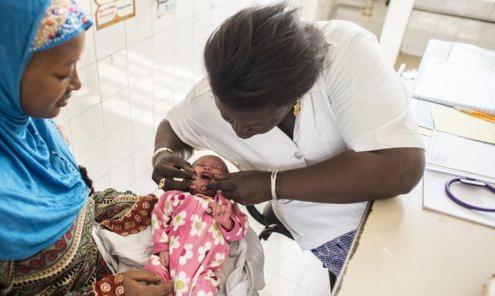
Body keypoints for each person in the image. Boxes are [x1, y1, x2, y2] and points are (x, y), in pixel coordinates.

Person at [0, 0, 172, 295]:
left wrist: (154, 209)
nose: (77, 84)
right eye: (62, 73)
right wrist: (110, 293)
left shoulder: (32, 127)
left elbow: (82, 206)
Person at [151, 3, 425, 277]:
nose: (239, 132)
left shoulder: (346, 52)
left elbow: (402, 167)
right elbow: (172, 128)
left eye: (254, 123)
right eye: (228, 118)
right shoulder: (206, 100)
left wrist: (272, 184)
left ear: (297, 94)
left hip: (394, 210)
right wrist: (162, 154)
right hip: (326, 234)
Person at [145, 155, 248, 295]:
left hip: (203, 270)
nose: (208, 168)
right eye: (200, 164)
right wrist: (161, 246)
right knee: (153, 265)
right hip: (168, 261)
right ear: (188, 173)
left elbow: (240, 231)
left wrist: (226, 222)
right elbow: (158, 216)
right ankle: (164, 291)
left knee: (206, 287)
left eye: (216, 168)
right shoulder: (176, 197)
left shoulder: (224, 206)